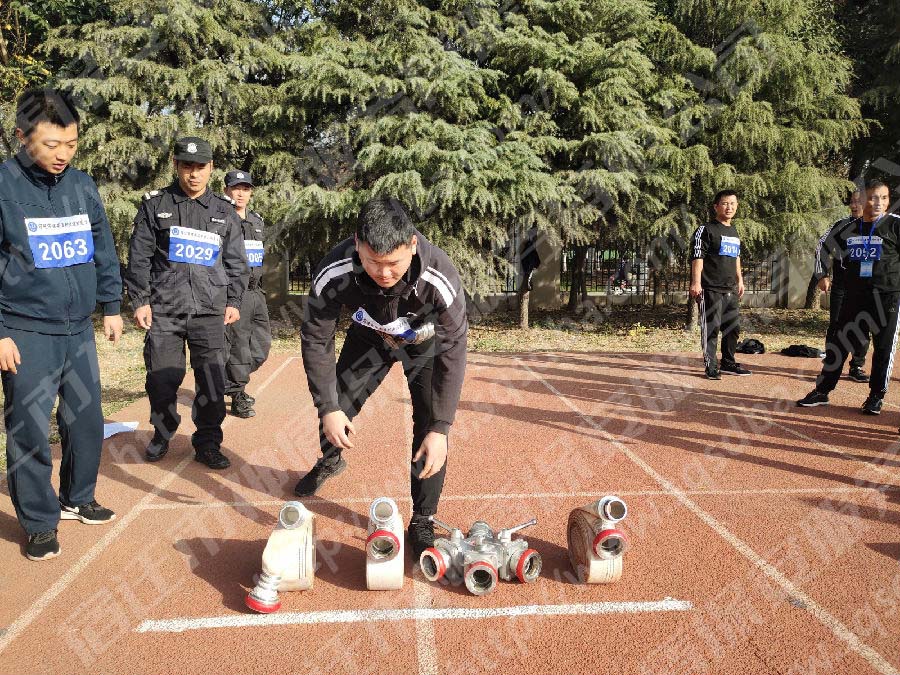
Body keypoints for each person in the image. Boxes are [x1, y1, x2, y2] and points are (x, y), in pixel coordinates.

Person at [298, 197, 467, 557]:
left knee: (430, 423)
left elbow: (453, 350)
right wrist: (327, 407)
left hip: (421, 342)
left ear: (412, 245)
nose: (385, 273)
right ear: (357, 244)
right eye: (374, 262)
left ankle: (423, 517)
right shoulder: (334, 269)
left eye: (394, 263)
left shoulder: (440, 275)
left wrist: (442, 427)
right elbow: (316, 337)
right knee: (336, 401)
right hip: (369, 337)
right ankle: (331, 460)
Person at [0, 88, 123, 561]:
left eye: (71, 144)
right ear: (21, 136)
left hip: (77, 328)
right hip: (25, 329)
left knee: (86, 419)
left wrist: (111, 305)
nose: (63, 154)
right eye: (52, 144)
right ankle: (38, 522)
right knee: (29, 427)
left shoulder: (81, 185)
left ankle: (78, 496)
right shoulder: (5, 187)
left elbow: (102, 245)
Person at [124, 137, 249, 469]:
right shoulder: (155, 205)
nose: (194, 174)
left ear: (211, 168)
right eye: (187, 166)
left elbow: (236, 261)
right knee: (162, 379)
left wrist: (234, 300)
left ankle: (207, 442)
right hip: (165, 310)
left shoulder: (224, 210)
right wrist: (140, 301)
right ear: (176, 166)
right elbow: (139, 258)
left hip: (210, 310)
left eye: (201, 167)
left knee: (211, 381)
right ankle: (162, 432)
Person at [798, 180, 899, 414]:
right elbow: (822, 246)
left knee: (883, 348)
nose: (879, 203)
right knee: (839, 343)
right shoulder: (847, 227)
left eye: (884, 198)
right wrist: (822, 274)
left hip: (887, 298)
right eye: (873, 197)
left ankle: (876, 396)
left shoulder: (895, 225)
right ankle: (822, 390)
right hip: (854, 296)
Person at [222, 170, 271, 418]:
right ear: (226, 191)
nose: (240, 193)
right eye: (235, 188)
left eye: (245, 189)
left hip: (256, 292)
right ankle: (237, 392)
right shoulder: (220, 219)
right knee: (239, 345)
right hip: (234, 293)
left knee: (262, 345)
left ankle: (226, 381)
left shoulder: (257, 220)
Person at [689, 190, 752, 379]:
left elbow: (736, 257)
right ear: (716, 207)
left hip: (730, 289)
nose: (729, 207)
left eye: (733, 203)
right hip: (710, 288)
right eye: (725, 203)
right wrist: (696, 283)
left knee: (733, 328)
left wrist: (740, 280)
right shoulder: (705, 229)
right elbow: (697, 257)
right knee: (712, 328)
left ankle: (728, 363)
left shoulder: (734, 231)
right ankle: (711, 367)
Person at [812, 189, 871, 383]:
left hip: (868, 288)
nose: (854, 206)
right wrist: (822, 275)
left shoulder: (879, 227)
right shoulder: (841, 225)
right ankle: (830, 365)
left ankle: (857, 366)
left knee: (863, 326)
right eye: (852, 202)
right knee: (837, 325)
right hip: (843, 286)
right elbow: (821, 247)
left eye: (858, 202)